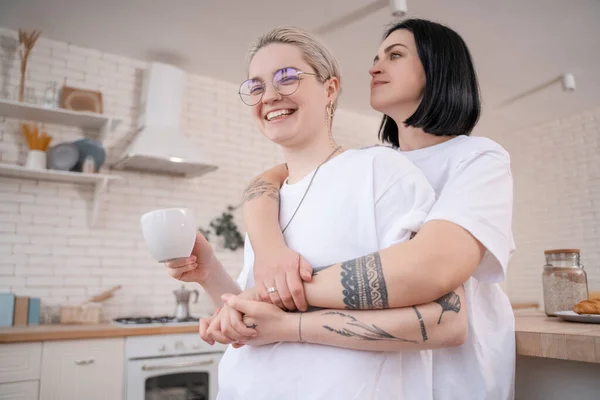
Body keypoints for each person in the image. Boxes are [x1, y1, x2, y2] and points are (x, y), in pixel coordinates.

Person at [166, 25, 469, 400]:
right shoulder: (268, 202)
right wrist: (211, 274)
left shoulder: (380, 171)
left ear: (330, 89)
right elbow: (257, 314)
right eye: (257, 86)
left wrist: (291, 326)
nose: (270, 96)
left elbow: (448, 323)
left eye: (287, 78)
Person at [234, 19, 516, 400]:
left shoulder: (477, 158)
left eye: (395, 55)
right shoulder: (374, 161)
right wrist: (270, 251)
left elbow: (432, 266)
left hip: (458, 365)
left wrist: (277, 293)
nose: (373, 67)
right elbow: (269, 180)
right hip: (387, 364)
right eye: (375, 57)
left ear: (439, 69)